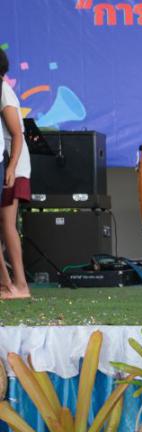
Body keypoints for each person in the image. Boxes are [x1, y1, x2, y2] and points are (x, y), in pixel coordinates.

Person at [0, 48, 30, 300]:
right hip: (7, 161)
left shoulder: (3, 90)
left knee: (7, 223)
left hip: (13, 163)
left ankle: (20, 285)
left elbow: (17, 134)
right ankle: (6, 284)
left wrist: (10, 167)